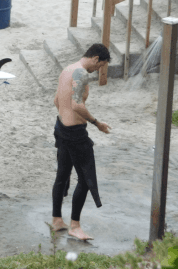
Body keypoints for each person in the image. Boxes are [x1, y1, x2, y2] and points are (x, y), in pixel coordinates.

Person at [52, 43, 112, 241]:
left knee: (62, 176)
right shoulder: (81, 74)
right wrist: (97, 123)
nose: (98, 70)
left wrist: (65, 117)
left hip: (61, 129)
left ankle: (57, 221)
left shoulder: (67, 69)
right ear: (95, 58)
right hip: (75, 134)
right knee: (86, 180)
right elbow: (77, 105)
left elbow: (56, 101)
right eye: (100, 65)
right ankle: (75, 226)